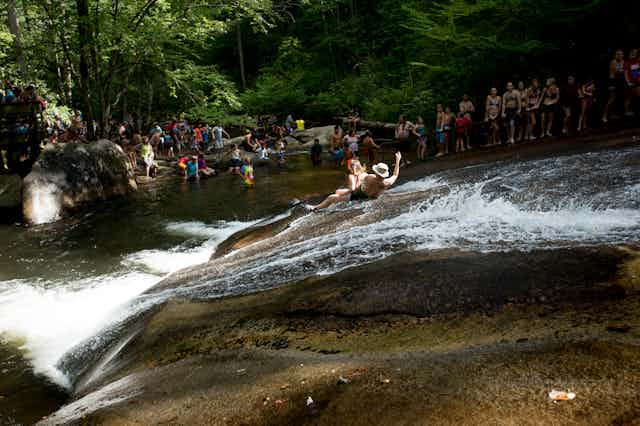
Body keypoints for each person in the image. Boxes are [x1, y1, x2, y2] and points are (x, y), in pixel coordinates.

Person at [309, 152, 402, 211]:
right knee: (340, 192)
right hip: (371, 198)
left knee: (332, 197)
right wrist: (397, 161)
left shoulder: (370, 177)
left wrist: (354, 175)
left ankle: (315, 208)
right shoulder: (386, 183)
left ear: (376, 172)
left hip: (358, 197)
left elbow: (358, 183)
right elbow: (395, 175)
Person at [603, 49, 626, 123]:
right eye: (618, 54)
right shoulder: (613, 62)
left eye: (621, 54)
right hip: (613, 81)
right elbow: (617, 71)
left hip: (621, 81)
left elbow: (624, 70)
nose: (619, 56)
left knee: (620, 98)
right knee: (612, 99)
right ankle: (604, 115)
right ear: (615, 55)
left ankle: (616, 114)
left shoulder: (623, 61)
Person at [625, 48, 640, 116]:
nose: (633, 54)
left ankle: (632, 111)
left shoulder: (638, 61)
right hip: (631, 83)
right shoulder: (627, 63)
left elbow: (638, 72)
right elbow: (626, 74)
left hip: (638, 82)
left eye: (635, 53)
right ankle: (627, 111)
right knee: (629, 97)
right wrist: (628, 82)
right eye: (632, 53)